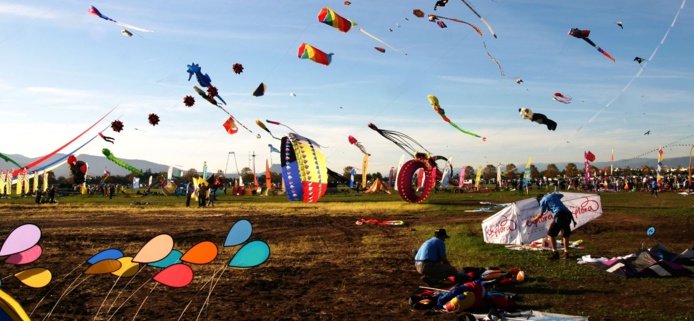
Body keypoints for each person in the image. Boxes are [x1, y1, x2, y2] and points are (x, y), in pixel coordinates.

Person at [531, 193, 577, 260]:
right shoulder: (552, 195)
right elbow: (561, 195)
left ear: (539, 199)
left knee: (551, 234)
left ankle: (555, 253)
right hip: (568, 215)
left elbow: (541, 214)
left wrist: (534, 219)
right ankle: (566, 253)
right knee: (565, 234)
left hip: (560, 215)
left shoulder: (543, 200)